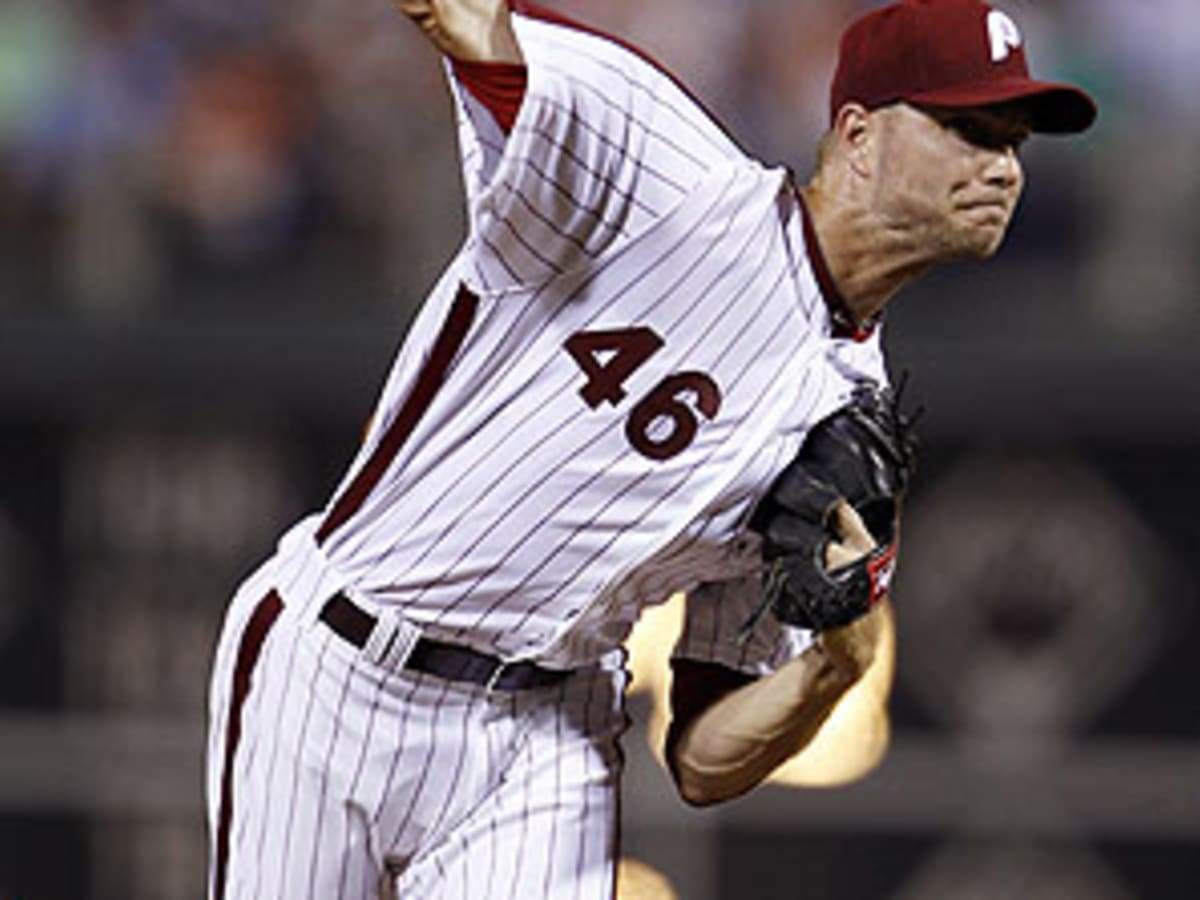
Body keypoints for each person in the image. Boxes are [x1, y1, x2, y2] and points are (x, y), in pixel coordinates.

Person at [205, 0, 1096, 897]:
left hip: (547, 733)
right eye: (967, 128)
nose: (1002, 168)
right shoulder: (666, 165)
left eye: (1014, 141)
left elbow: (706, 760)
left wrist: (839, 664)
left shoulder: (848, 432)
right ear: (858, 134)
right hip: (340, 661)